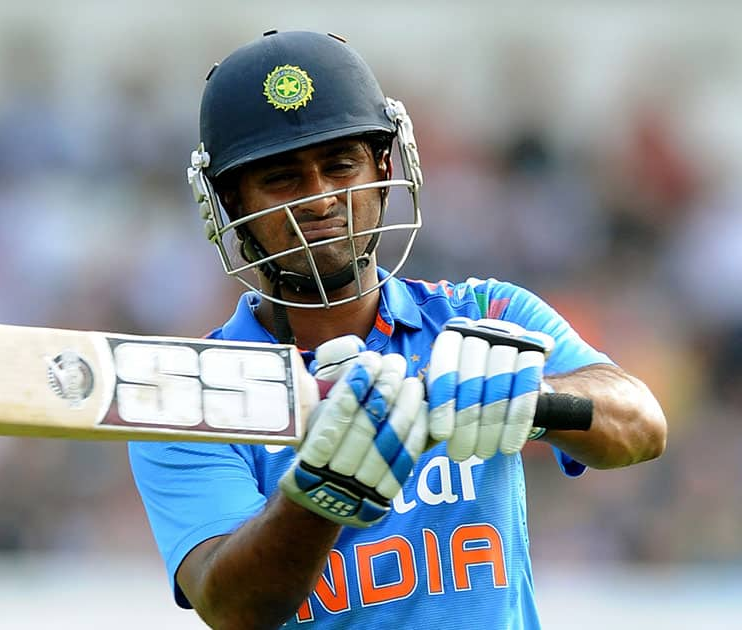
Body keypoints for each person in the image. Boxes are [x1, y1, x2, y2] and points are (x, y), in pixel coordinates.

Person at [128, 30, 667, 629]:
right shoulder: (187, 391)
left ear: (384, 165)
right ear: (231, 203)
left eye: (340, 166)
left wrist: (532, 400)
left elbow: (642, 425)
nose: (320, 198)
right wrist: (322, 491)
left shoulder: (484, 314)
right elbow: (232, 606)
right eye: (282, 178)